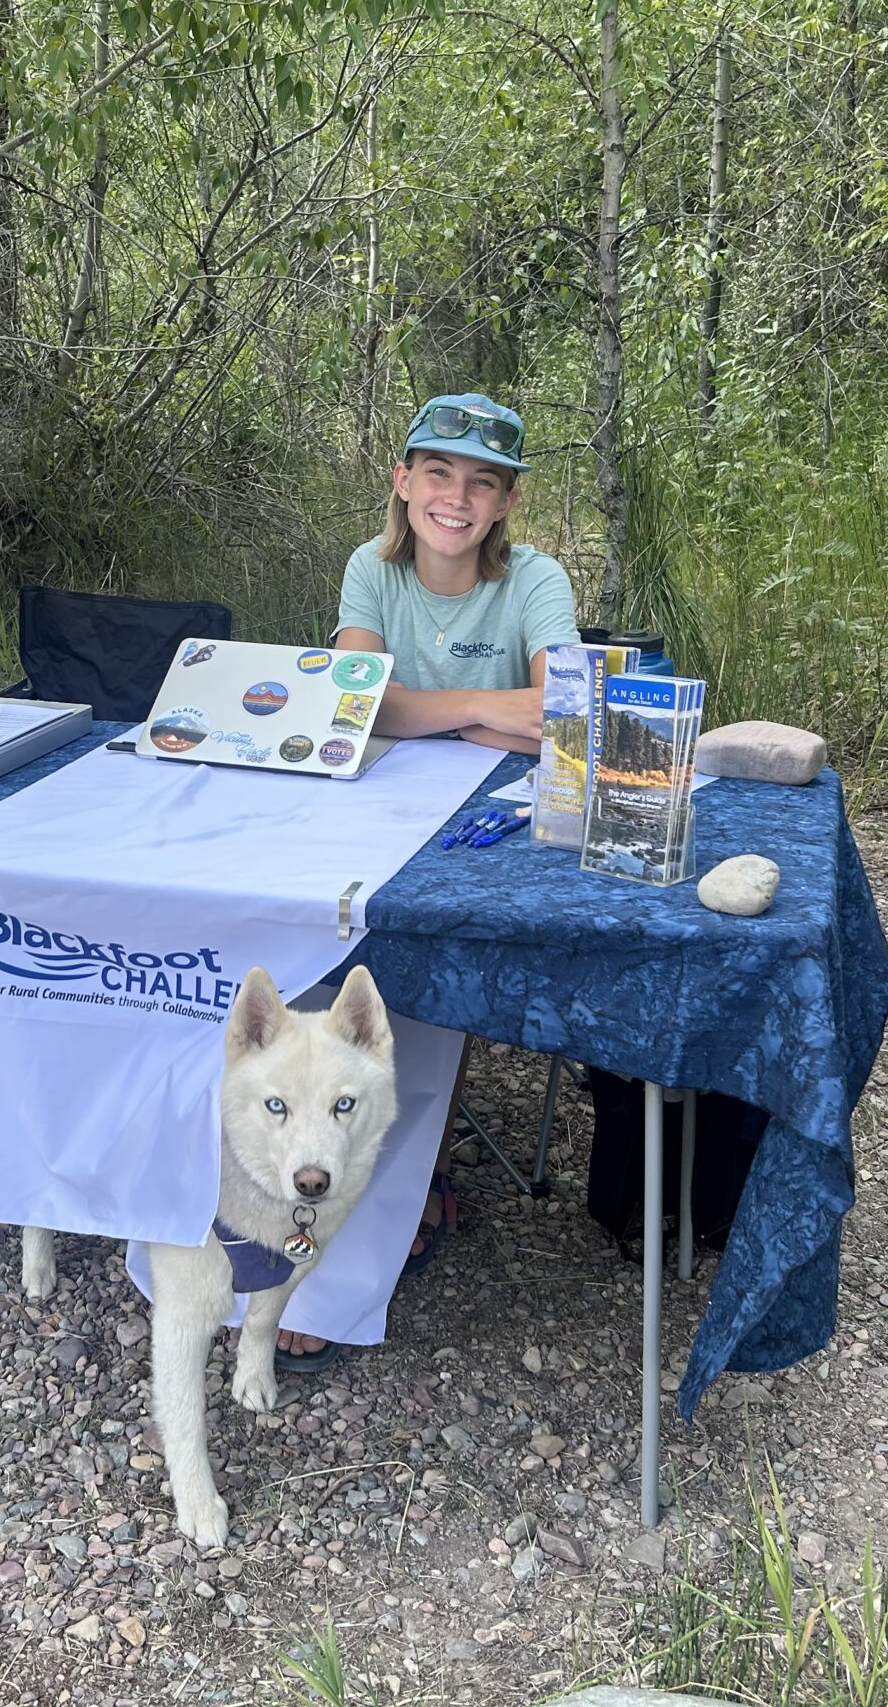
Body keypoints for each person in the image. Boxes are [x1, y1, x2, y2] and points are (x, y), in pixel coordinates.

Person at [275, 392, 582, 1372]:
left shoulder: (535, 577)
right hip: (373, 813)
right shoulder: (371, 569)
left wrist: (420, 708)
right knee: (333, 952)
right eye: (438, 473)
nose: (457, 497)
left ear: (507, 501)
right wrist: (490, 710)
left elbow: (567, 715)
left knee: (436, 972)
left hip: (492, 828)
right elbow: (353, 707)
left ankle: (414, 1185)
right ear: (403, 481)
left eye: (482, 482)